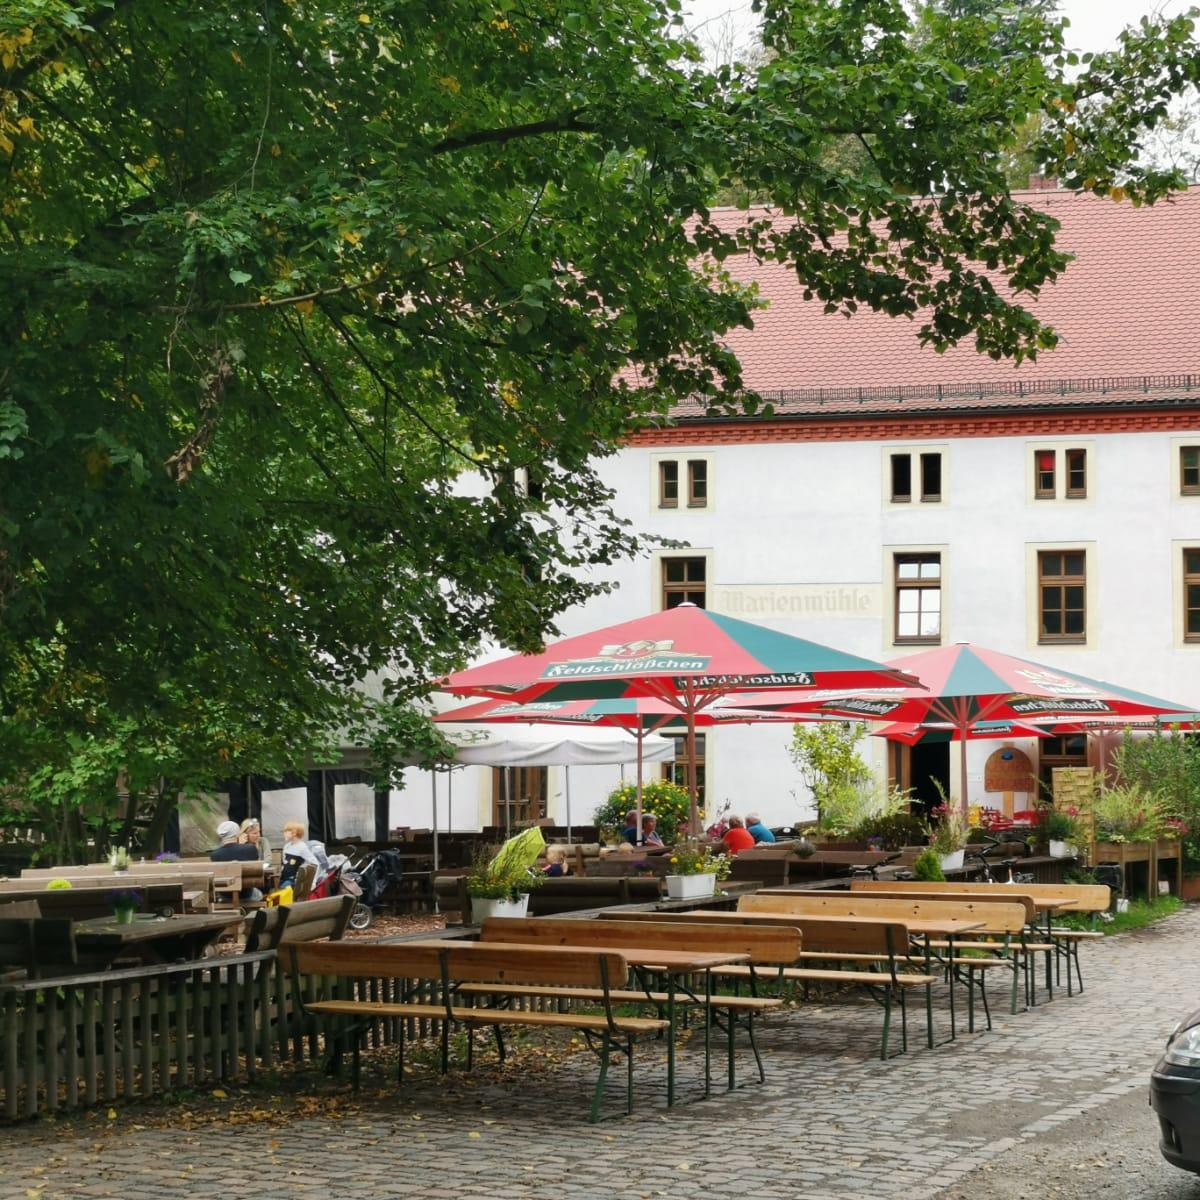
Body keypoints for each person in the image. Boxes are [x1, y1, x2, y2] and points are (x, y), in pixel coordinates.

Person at [210, 820, 262, 900]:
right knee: (259, 894)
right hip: (247, 894)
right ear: (238, 833)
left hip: (225, 896)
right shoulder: (250, 848)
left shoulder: (214, 855)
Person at [279, 821, 321, 888]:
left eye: (285, 832)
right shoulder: (286, 846)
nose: (283, 834)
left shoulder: (302, 847)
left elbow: (315, 864)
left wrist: (313, 882)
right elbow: (285, 863)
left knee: (282, 890)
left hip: (294, 881)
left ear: (294, 833)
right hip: (283, 878)